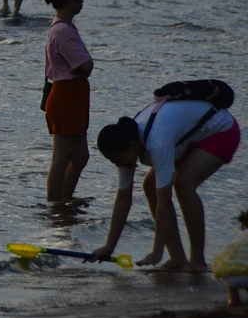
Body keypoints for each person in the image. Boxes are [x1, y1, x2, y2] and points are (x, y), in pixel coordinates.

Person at [93, 97, 240, 270]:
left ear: (132, 147)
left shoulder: (156, 142)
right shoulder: (125, 142)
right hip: (190, 135)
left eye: (116, 159)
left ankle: (197, 261)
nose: (116, 164)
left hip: (221, 130)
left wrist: (156, 251)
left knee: (183, 183)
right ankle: (177, 258)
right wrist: (109, 247)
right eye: (111, 161)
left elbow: (164, 201)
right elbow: (123, 198)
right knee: (149, 185)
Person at [43, 0, 93, 201]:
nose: (81, 1)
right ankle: (55, 204)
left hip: (73, 96)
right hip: (66, 97)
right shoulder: (62, 30)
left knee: (80, 156)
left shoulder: (65, 27)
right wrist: (88, 63)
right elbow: (84, 66)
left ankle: (62, 200)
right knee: (62, 157)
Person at [213, 210, 248, 306]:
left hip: (229, 276)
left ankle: (233, 298)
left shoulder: (240, 237)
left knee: (234, 264)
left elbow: (223, 256)